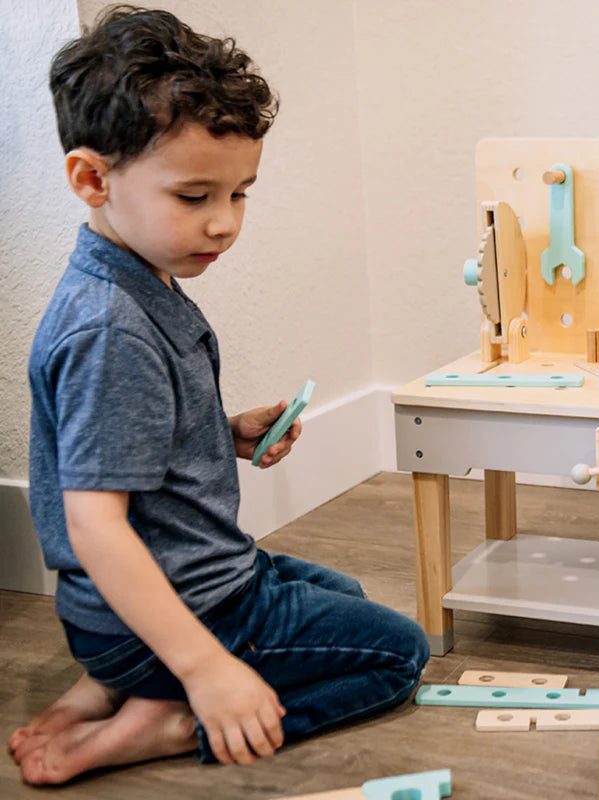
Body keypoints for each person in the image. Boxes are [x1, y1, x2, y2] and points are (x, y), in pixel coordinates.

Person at [8, 5, 429, 785]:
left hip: (159, 596)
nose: (224, 224)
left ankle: (115, 682)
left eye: (240, 195)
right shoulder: (111, 331)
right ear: (93, 179)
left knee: (344, 593)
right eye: (195, 196)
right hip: (180, 608)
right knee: (399, 653)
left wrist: (221, 431)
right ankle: (166, 718)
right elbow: (96, 527)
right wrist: (207, 671)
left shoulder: (131, 277)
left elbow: (128, 440)